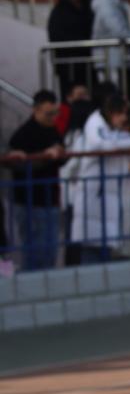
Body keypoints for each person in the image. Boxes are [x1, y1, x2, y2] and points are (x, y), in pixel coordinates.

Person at [69, 93, 130, 263]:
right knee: (91, 248)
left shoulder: (115, 130)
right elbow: (102, 145)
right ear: (111, 112)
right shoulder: (95, 124)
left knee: (105, 248)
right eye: (121, 113)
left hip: (110, 195)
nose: (124, 118)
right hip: (95, 193)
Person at [8, 90, 65, 271]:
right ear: (36, 110)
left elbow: (61, 154)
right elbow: (19, 165)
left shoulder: (52, 130)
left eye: (55, 113)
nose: (53, 118)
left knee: (50, 253)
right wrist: (45, 157)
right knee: (34, 255)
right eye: (49, 114)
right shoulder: (23, 134)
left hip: (50, 198)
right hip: (30, 201)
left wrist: (59, 152)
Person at [91, 0, 130, 105]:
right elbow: (119, 30)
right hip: (113, 60)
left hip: (118, 59)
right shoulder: (107, 5)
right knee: (119, 98)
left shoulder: (113, 4)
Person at [47, 0, 95, 99]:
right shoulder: (59, 11)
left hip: (87, 62)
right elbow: (56, 36)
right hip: (68, 65)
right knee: (71, 100)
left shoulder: (88, 7)